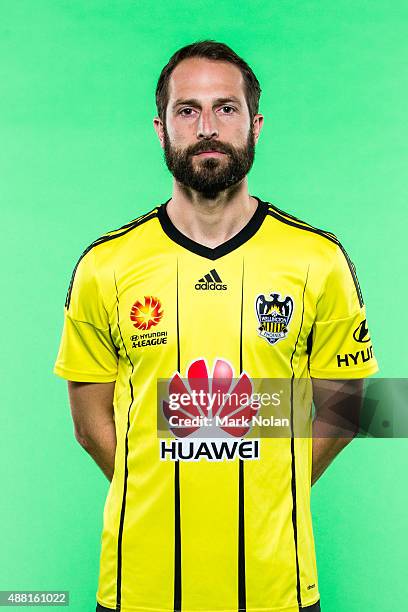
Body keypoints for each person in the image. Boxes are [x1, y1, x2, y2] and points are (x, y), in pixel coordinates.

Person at [53, 40, 379, 612]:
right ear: (161, 129)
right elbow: (88, 422)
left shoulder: (319, 259)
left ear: (255, 125)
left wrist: (274, 489)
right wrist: (153, 482)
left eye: (225, 108)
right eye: (188, 110)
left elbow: (350, 404)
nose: (208, 126)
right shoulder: (104, 265)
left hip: (277, 586)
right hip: (138, 587)